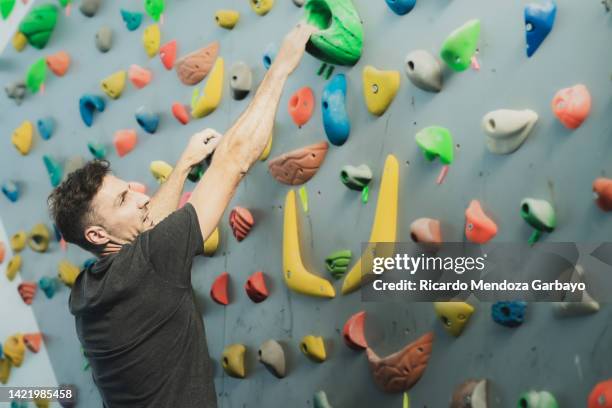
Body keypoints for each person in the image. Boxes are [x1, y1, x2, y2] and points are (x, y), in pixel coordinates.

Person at [47, 23, 318, 408]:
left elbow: (145, 231)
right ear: (95, 236)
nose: (140, 197)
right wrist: (283, 67)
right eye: (124, 198)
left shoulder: (88, 291)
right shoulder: (152, 261)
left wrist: (185, 165)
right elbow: (236, 160)